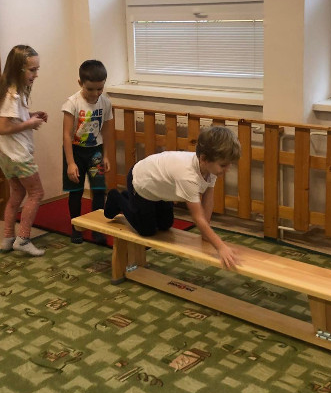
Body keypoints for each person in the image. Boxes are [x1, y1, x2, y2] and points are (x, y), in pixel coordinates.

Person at [104, 126, 241, 270]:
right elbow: (198, 217)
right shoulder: (188, 176)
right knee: (147, 231)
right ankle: (118, 198)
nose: (227, 169)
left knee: (165, 225)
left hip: (161, 190)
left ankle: (132, 200)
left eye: (229, 164)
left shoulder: (210, 168)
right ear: (204, 159)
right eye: (223, 165)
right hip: (141, 183)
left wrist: (206, 236)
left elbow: (208, 198)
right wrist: (220, 247)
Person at [0, 44, 47, 256]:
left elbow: (13, 119)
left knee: (17, 193)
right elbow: (3, 127)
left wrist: (31, 115)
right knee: (37, 193)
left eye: (37, 69)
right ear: (19, 69)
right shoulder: (12, 96)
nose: (36, 74)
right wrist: (30, 124)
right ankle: (23, 239)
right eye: (32, 70)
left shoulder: (14, 91)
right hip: (17, 155)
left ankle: (8, 238)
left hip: (5, 154)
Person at [61, 60, 114, 244]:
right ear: (80, 83)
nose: (95, 93)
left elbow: (107, 131)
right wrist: (70, 163)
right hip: (75, 152)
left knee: (99, 190)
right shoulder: (72, 103)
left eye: (100, 89)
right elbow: (67, 135)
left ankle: (97, 227)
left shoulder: (105, 103)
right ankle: (76, 227)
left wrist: (106, 155)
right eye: (90, 89)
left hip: (95, 153)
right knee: (76, 191)